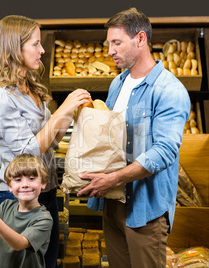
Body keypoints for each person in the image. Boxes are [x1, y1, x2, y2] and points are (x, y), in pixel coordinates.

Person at [77, 8, 191, 268]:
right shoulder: (118, 83)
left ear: (140, 39)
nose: (109, 51)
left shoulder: (169, 90)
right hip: (113, 201)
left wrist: (114, 178)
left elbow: (164, 151)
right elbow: (107, 138)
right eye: (109, 44)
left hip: (145, 208)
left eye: (116, 43)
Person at [0, 14, 91, 267]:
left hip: (44, 192)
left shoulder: (31, 89)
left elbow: (51, 141)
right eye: (35, 44)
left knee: (46, 263)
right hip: (17, 197)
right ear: (14, 48)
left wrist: (74, 112)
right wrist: (62, 110)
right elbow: (26, 152)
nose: (42, 50)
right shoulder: (1, 97)